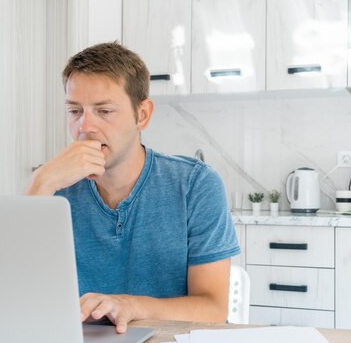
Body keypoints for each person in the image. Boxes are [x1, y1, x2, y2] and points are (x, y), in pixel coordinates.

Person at [25, 42, 240, 334]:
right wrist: (40, 183)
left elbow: (213, 309)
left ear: (142, 115)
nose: (85, 127)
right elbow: (16, 297)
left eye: (104, 111)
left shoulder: (195, 185)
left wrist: (132, 306)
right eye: (75, 111)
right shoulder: (53, 189)